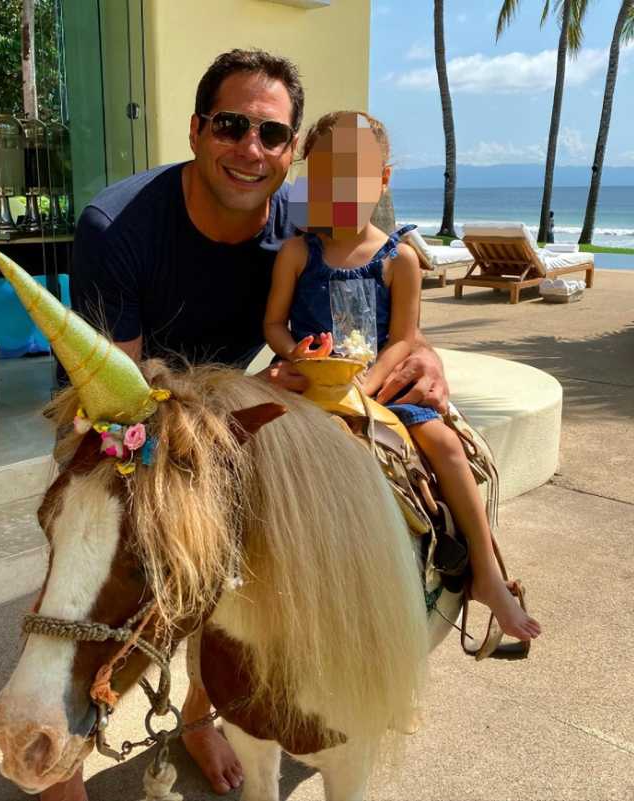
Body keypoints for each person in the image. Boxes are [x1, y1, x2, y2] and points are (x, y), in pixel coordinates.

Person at [59, 50, 450, 801]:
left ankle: (201, 714)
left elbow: (380, 308)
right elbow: (130, 404)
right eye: (231, 126)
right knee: (94, 575)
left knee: (240, 570)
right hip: (122, 412)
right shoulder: (117, 228)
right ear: (196, 129)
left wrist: (421, 350)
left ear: (291, 151)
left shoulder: (301, 223)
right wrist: (240, 398)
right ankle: (60, 757)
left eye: (271, 134)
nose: (251, 149)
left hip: (228, 404)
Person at [264, 109, 542, 646]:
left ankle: (486, 572)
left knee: (446, 445)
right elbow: (274, 323)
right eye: (325, 175)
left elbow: (402, 339)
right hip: (310, 384)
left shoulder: (400, 261)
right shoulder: (298, 254)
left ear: (383, 178)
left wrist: (365, 386)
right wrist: (295, 353)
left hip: (379, 388)